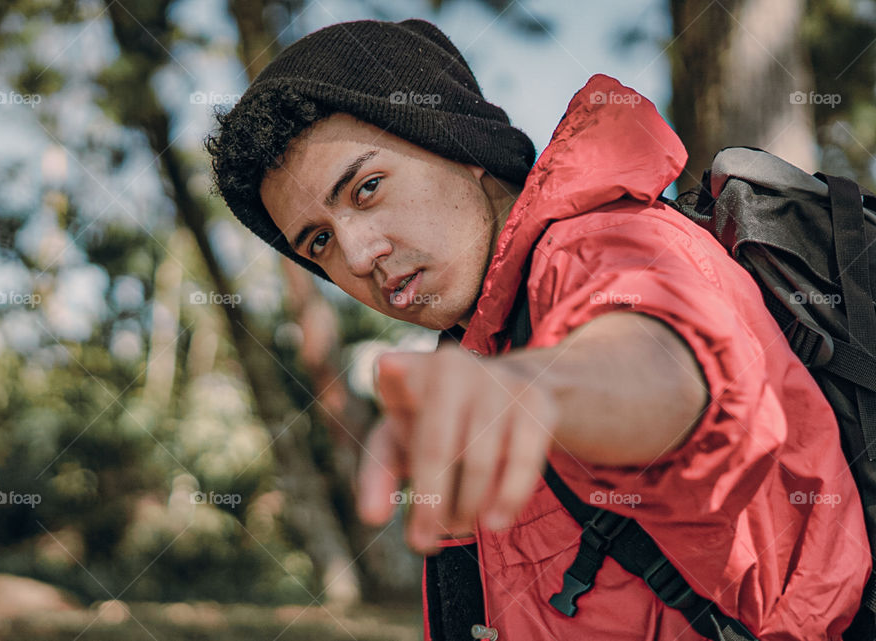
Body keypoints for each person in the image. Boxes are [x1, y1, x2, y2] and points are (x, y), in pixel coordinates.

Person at [206, 18, 869, 641]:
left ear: (459, 145)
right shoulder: (480, 336)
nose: (356, 256)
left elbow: (663, 360)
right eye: (319, 241)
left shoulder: (598, 245)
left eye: (367, 188)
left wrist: (533, 391)